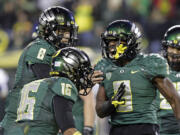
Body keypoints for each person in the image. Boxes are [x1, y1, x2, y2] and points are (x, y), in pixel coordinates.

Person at [1, 6, 101, 135]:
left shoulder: (57, 53)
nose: (66, 36)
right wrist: (82, 80)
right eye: (62, 31)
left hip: (38, 117)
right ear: (48, 30)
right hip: (22, 119)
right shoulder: (40, 48)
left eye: (68, 31)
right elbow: (51, 82)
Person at [95, 20, 180, 135]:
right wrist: (111, 103)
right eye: (109, 41)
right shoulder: (105, 67)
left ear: (130, 41)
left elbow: (174, 100)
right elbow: (100, 111)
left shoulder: (149, 64)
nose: (111, 45)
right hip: (116, 129)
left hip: (144, 128)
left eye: (116, 40)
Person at [4, 47, 93, 135]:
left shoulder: (31, 85)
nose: (82, 76)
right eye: (80, 71)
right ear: (69, 68)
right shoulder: (63, 83)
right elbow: (68, 131)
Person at [157, 25, 180, 135]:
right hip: (160, 129)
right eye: (171, 47)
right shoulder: (155, 69)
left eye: (178, 49)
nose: (174, 52)